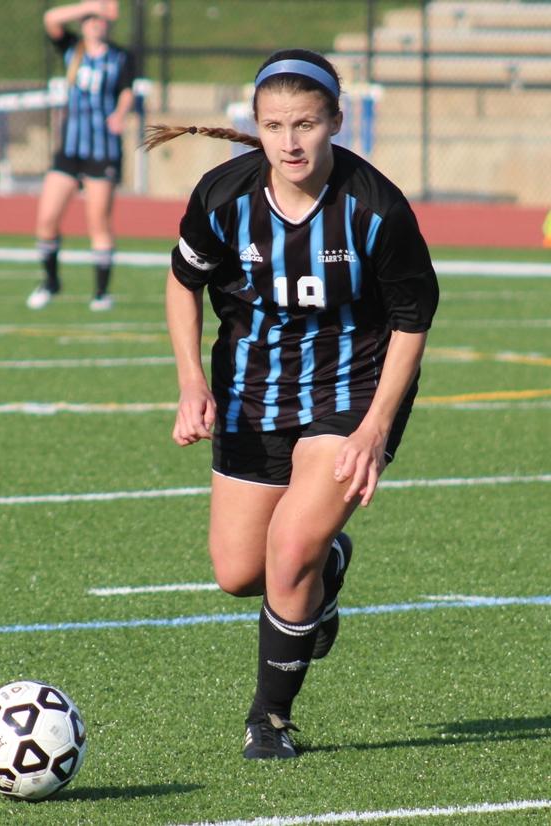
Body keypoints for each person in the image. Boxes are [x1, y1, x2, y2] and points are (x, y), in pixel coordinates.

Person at [145, 49, 439, 759]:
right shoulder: (224, 197)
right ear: (256, 125)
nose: (290, 140)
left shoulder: (375, 208)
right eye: (275, 125)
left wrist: (373, 430)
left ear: (337, 121)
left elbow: (411, 320)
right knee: (239, 574)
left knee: (290, 548)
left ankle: (269, 719)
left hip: (352, 393)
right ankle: (328, 567)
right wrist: (192, 382)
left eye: (306, 123)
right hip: (253, 393)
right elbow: (182, 283)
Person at [27, 0, 134, 311]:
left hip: (102, 151)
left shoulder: (119, 57)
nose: (95, 24)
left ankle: (101, 293)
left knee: (97, 221)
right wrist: (91, 5)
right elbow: (51, 18)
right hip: (70, 151)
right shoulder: (73, 49)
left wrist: (120, 113)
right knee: (46, 219)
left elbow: (127, 90)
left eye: (100, 20)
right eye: (90, 20)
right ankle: (51, 282)